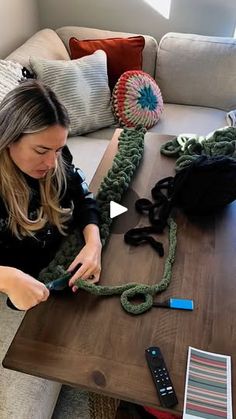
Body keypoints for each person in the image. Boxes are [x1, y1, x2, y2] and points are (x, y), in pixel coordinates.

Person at [0, 80, 102, 311]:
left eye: (58, 149)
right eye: (41, 151)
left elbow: (83, 197)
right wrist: (6, 278)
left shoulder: (57, 155)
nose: (51, 162)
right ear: (8, 139)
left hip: (63, 267)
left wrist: (93, 244)